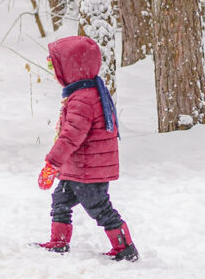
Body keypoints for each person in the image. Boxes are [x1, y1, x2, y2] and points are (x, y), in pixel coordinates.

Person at [35, 35, 138, 261]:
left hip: (88, 171)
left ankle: (125, 247)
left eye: (56, 67)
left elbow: (70, 136)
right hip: (79, 168)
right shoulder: (85, 93)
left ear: (71, 68)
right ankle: (58, 242)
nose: (54, 73)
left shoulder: (83, 99)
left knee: (99, 209)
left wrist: (52, 163)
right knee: (60, 200)